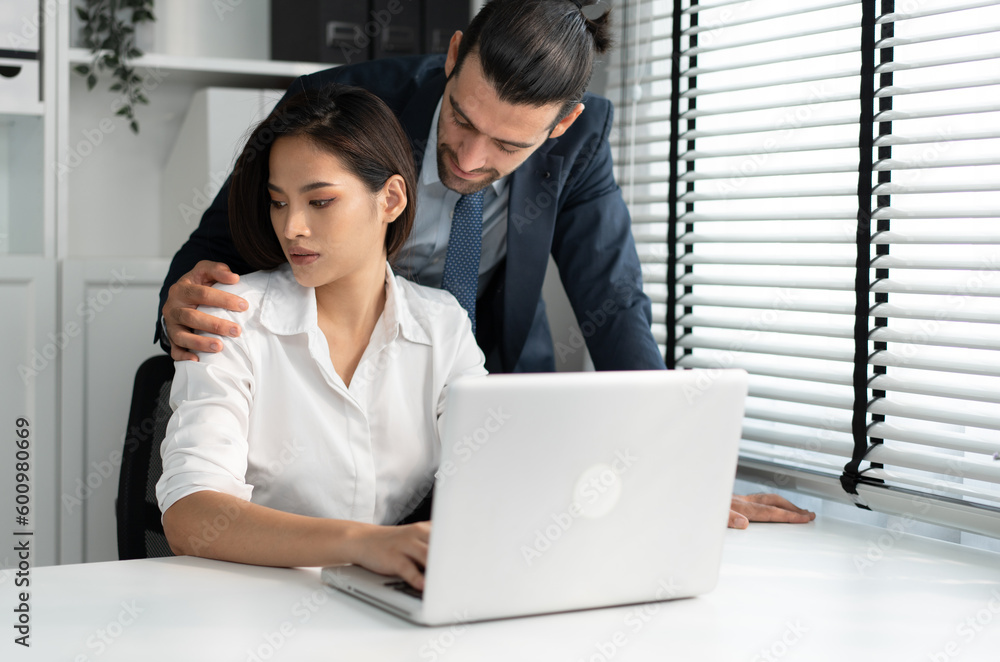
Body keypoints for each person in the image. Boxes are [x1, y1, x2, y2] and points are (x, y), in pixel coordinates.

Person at [157, 0, 814, 529]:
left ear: (561, 125)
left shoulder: (581, 143)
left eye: (506, 143)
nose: (470, 159)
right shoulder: (346, 104)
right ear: (453, 55)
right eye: (462, 121)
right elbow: (222, 237)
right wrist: (180, 306)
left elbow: (614, 304)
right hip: (318, 383)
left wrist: (679, 470)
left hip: (474, 380)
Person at [156, 85, 487, 590]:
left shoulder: (443, 327)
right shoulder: (230, 317)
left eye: (320, 201)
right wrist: (363, 544)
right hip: (245, 605)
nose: (292, 227)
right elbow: (189, 516)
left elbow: (495, 468)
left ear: (391, 198)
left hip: (373, 603)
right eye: (278, 202)